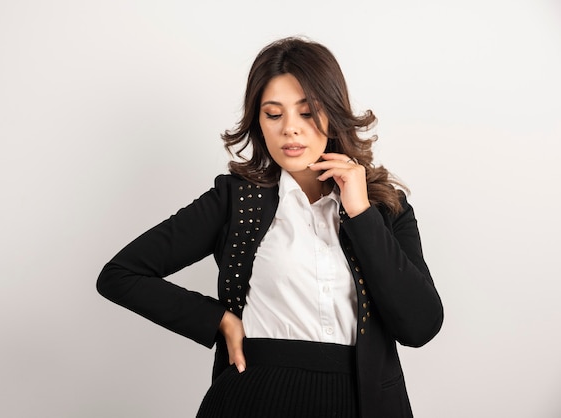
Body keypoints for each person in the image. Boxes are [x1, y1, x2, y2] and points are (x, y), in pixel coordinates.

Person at [97, 36, 443, 418]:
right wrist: (219, 321)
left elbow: (420, 326)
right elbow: (120, 274)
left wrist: (361, 213)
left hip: (366, 403)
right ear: (258, 123)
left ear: (333, 113)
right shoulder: (234, 199)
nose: (290, 130)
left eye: (307, 112)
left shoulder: (385, 207)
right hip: (255, 400)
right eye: (273, 114)